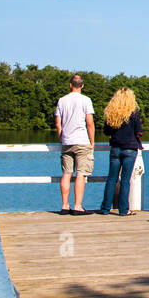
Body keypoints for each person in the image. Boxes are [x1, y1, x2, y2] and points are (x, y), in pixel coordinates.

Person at [55, 74, 95, 215]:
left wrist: (62, 137)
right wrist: (92, 141)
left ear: (70, 85)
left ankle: (65, 206)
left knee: (66, 173)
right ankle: (77, 206)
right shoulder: (86, 100)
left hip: (67, 141)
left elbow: (58, 123)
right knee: (81, 174)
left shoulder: (62, 100)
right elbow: (89, 122)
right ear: (82, 86)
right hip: (82, 141)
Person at [101, 87, 142, 216]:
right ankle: (124, 210)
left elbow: (106, 131)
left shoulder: (111, 113)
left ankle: (105, 208)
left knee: (111, 179)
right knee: (125, 180)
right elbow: (139, 132)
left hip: (115, 148)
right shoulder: (134, 113)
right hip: (130, 149)